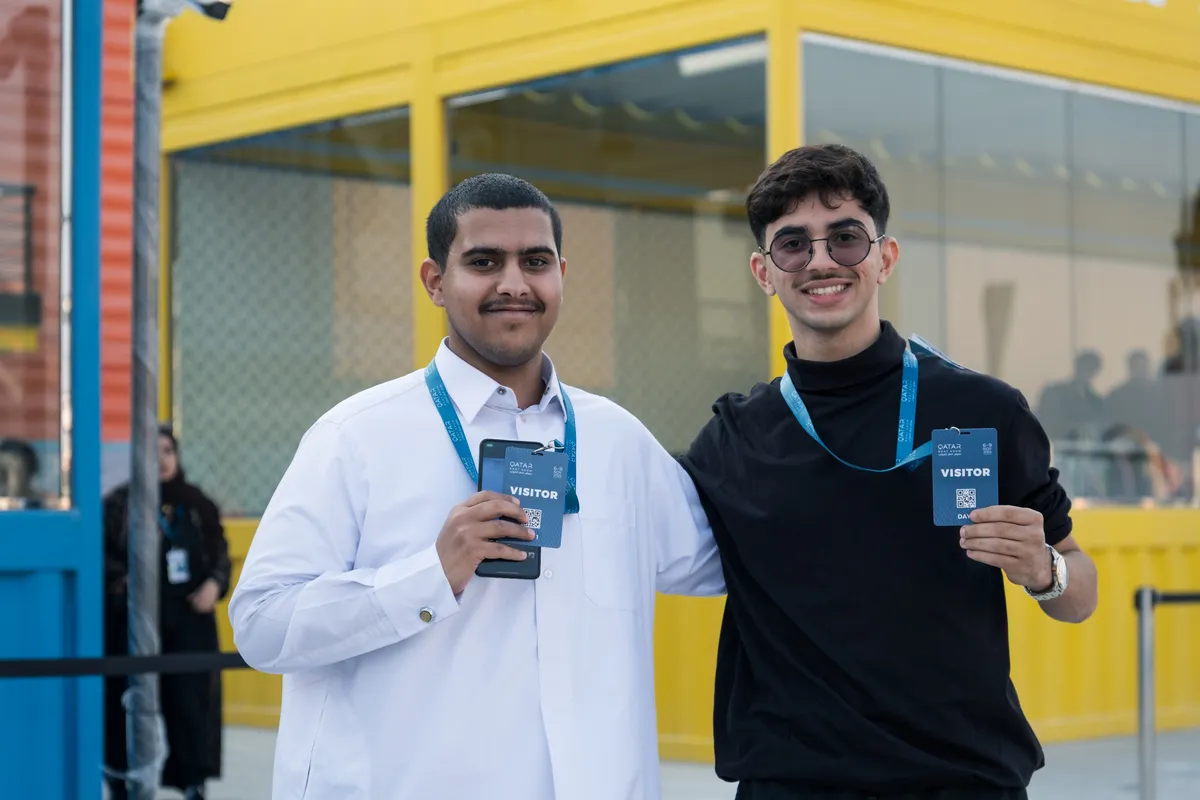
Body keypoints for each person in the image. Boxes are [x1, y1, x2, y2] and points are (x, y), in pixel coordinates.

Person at [228, 173, 723, 800]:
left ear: (561, 275)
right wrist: (429, 577)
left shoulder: (618, 442)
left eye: (535, 261)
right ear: (435, 281)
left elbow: (732, 563)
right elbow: (261, 625)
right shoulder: (356, 438)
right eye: (485, 262)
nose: (514, 283)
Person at [678, 144, 1099, 800]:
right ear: (764, 271)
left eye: (846, 238)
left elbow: (1080, 593)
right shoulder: (732, 438)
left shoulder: (983, 410)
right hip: (792, 784)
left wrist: (1046, 570)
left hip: (962, 780)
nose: (821, 261)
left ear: (885, 258)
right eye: (793, 244)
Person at [103, 425, 231, 800]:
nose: (161, 460)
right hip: (133, 619)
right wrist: (125, 582)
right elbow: (101, 554)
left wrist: (214, 585)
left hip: (189, 617)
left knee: (190, 702)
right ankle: (122, 781)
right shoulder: (120, 503)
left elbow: (220, 554)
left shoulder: (197, 504)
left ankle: (193, 782)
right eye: (152, 452)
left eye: (168, 451)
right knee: (126, 701)